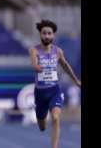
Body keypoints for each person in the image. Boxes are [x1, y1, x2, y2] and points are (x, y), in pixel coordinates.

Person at [29, 20, 81, 148]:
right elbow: (34, 63)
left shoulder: (58, 52)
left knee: (56, 118)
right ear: (40, 35)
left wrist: (76, 80)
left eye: (49, 33)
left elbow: (66, 66)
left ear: (53, 36)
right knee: (42, 126)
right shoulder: (34, 50)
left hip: (54, 91)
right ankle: (40, 115)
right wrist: (37, 67)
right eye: (44, 33)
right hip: (40, 93)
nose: (46, 36)